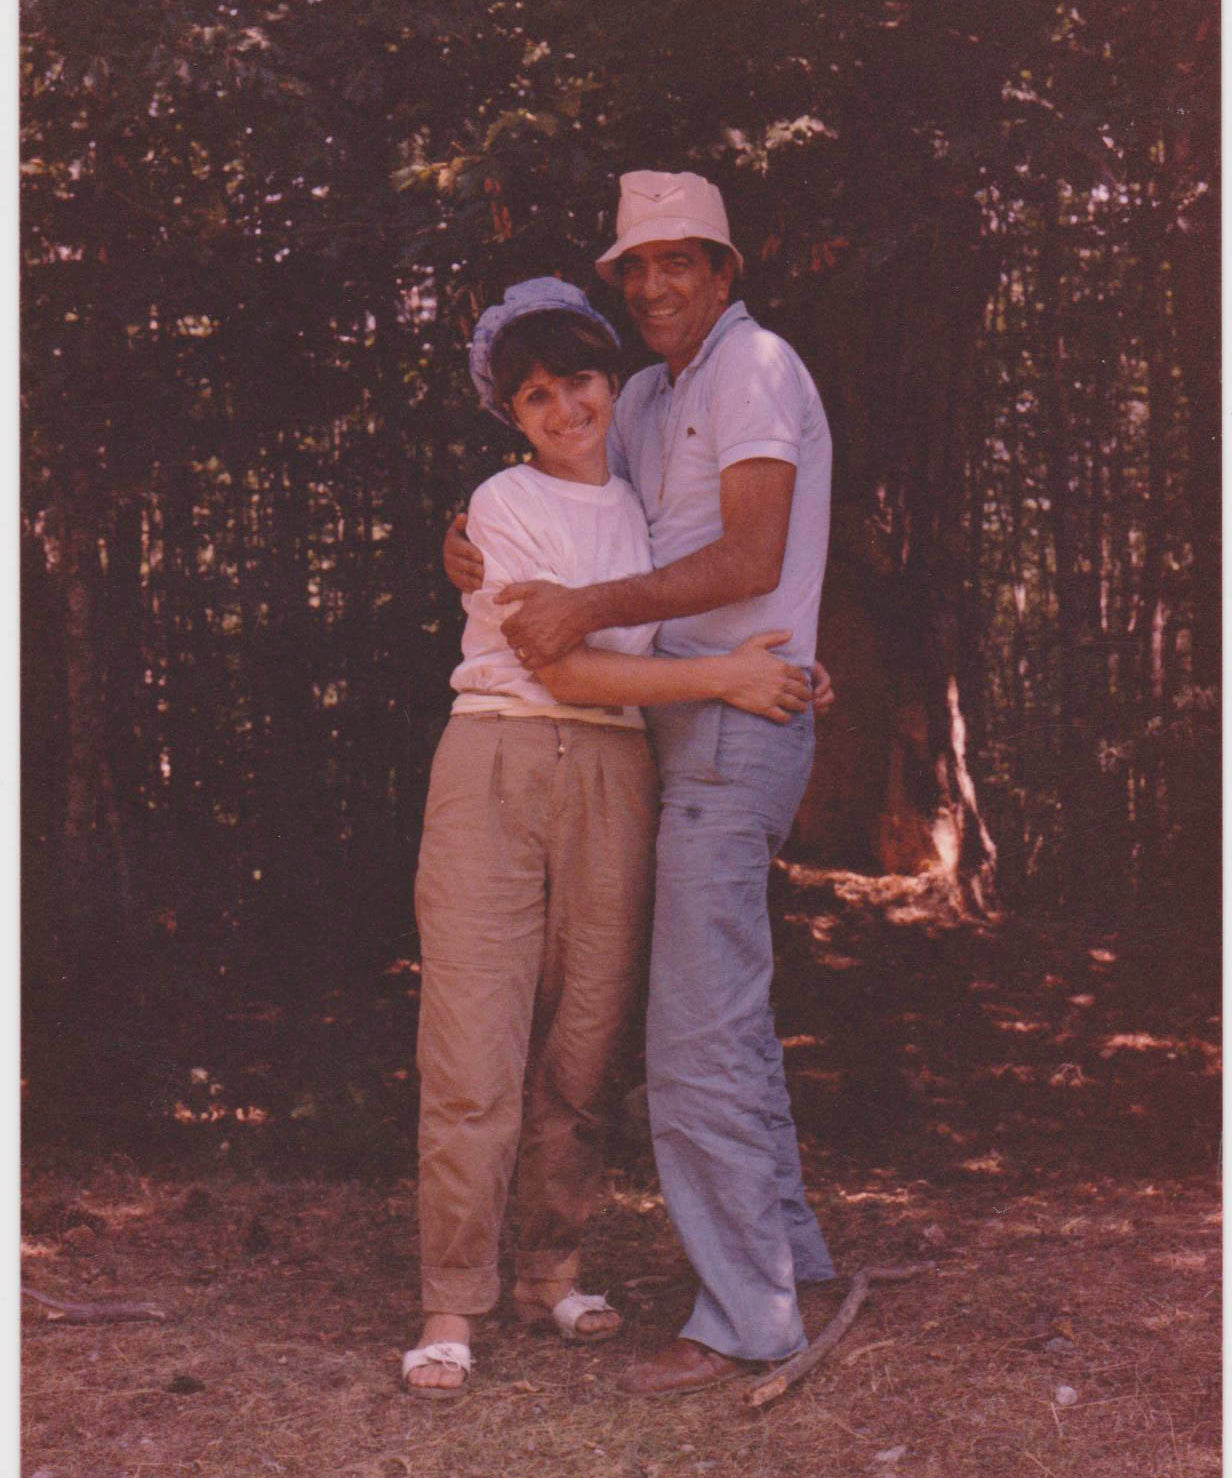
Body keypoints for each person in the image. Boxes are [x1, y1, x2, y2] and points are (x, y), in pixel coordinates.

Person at [444, 171, 837, 1396]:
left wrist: (594, 612)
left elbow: (752, 554)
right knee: (717, 1014)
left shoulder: (756, 365)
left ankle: (746, 1318)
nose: (659, 283)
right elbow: (558, 494)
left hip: (738, 713)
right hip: (673, 718)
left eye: (684, 260)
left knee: (693, 1033)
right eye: (638, 266)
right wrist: (463, 542)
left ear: (725, 270)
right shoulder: (656, 392)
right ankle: (793, 1265)